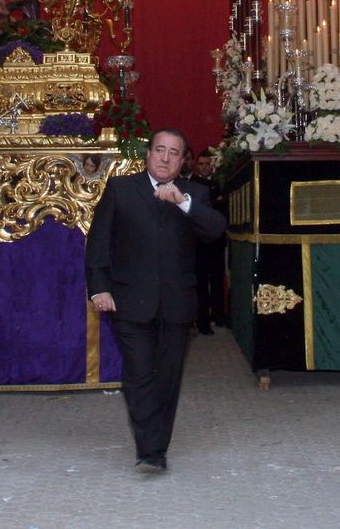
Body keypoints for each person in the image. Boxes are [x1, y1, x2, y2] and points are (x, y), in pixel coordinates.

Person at [86, 128, 225, 473]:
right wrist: (99, 288)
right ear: (148, 155)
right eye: (159, 150)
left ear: (182, 161)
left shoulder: (195, 194)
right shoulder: (121, 189)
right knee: (138, 373)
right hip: (129, 301)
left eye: (173, 153)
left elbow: (216, 229)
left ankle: (157, 443)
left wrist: (182, 202)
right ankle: (150, 450)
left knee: (167, 377)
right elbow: (98, 242)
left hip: (177, 303)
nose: (165, 158)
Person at [192, 147, 227, 335]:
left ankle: (219, 316)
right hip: (199, 241)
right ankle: (203, 321)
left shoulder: (220, 183)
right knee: (201, 283)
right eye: (202, 164)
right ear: (198, 166)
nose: (205, 167)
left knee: (217, 280)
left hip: (217, 240)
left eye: (208, 164)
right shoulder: (193, 185)